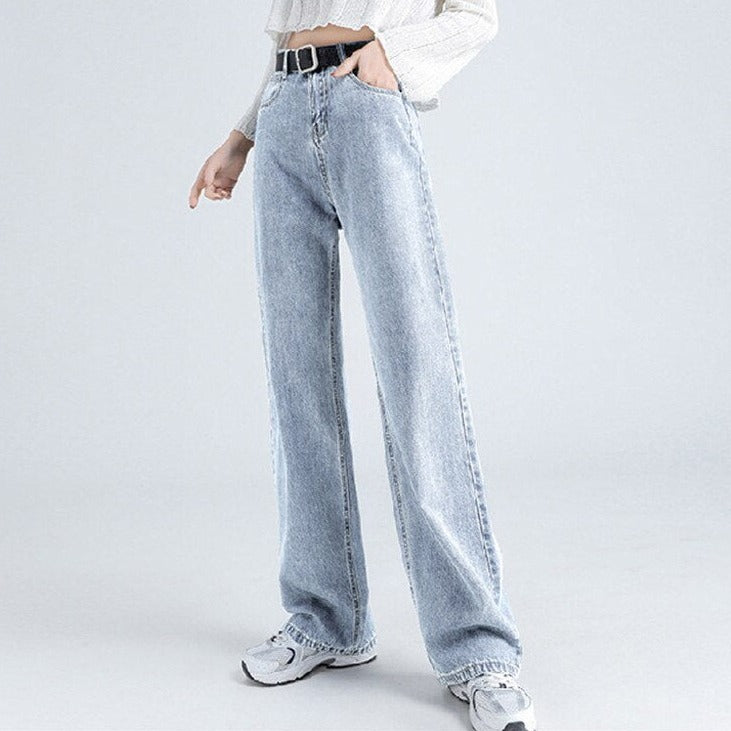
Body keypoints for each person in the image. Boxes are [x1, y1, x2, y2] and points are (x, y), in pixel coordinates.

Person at [188, 3, 537, 730]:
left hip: (366, 105)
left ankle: (477, 648)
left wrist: (391, 56)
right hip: (284, 110)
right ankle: (326, 619)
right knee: (297, 378)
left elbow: (476, 14)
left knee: (417, 371)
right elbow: (296, 33)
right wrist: (242, 135)